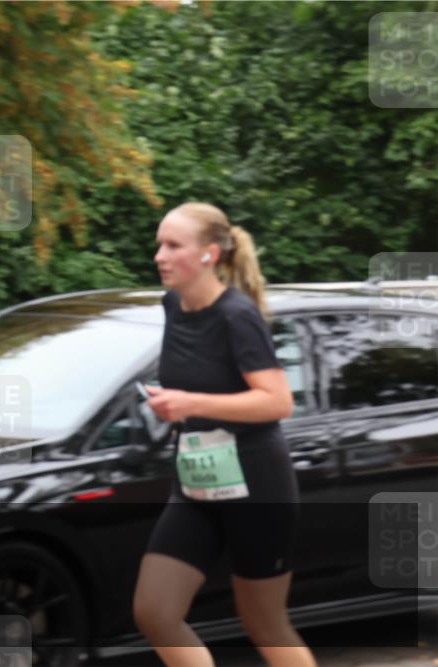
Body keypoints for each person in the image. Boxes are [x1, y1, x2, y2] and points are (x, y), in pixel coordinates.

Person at [132, 202, 317, 667]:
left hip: (257, 485)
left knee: (265, 624)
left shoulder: (237, 315)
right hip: (197, 482)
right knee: (155, 611)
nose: (160, 255)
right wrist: (169, 403)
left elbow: (277, 401)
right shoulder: (172, 305)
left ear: (210, 254)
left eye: (173, 245)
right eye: (159, 244)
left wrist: (191, 403)